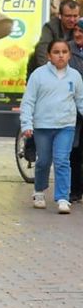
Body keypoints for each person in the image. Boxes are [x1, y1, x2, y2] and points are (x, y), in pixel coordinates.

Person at [21, 39, 83, 213]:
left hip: (66, 126)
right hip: (43, 126)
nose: (60, 55)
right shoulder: (38, 75)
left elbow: (80, 100)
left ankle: (63, 198)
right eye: (56, 52)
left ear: (69, 55)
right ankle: (39, 191)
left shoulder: (75, 76)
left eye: (64, 52)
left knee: (62, 160)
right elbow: (28, 101)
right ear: (49, 56)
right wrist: (27, 123)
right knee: (43, 161)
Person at [29, 0, 80, 78]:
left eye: (75, 16)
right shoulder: (50, 27)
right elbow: (43, 50)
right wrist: (49, 74)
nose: (72, 20)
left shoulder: (80, 27)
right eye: (68, 16)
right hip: (44, 70)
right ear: (60, 16)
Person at [68, 26, 83, 202]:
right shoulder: (67, 50)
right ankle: (75, 190)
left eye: (82, 31)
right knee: (74, 151)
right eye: (76, 31)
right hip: (73, 109)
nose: (78, 34)